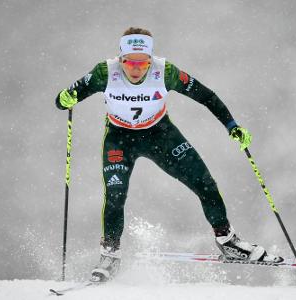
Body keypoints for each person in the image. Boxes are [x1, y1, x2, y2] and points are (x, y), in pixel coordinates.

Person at [55, 27, 282, 282]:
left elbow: (206, 96)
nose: (136, 68)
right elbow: (64, 99)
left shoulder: (166, 72)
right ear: (121, 59)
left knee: (204, 182)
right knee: (115, 196)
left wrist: (232, 126)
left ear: (150, 60)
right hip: (119, 139)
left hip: (160, 135)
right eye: (130, 62)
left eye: (143, 63)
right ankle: (110, 255)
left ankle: (228, 241)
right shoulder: (104, 73)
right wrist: (65, 99)